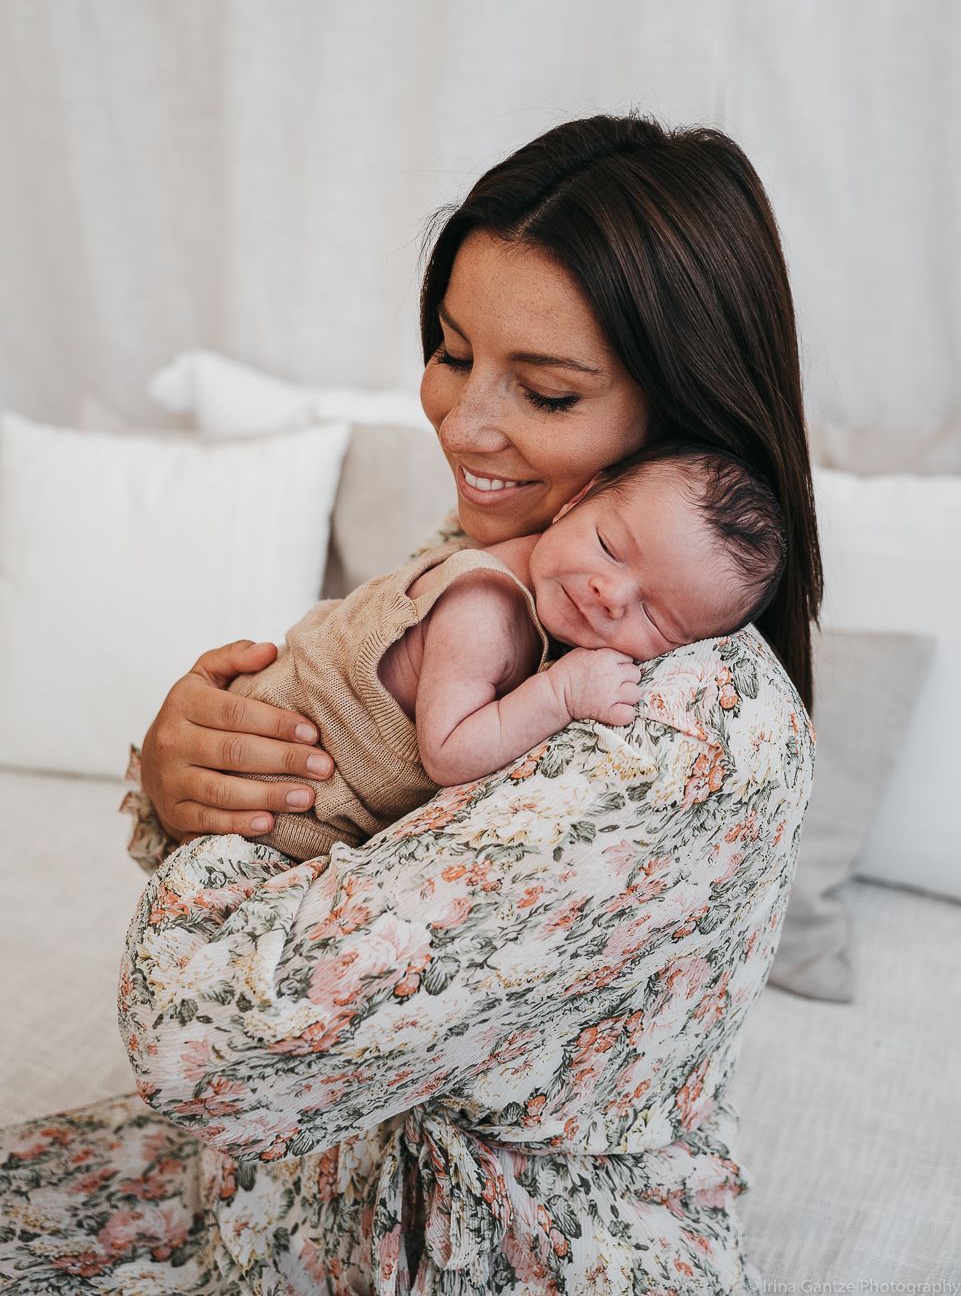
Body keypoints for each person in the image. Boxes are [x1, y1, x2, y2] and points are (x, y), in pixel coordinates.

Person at [0, 112, 820, 1295]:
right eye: (449, 351)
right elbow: (364, 780)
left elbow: (217, 1044)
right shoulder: (531, 553)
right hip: (303, 1181)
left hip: (481, 1247)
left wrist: (218, 843)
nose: (463, 424)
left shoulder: (676, 731)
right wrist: (189, 771)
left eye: (542, 391)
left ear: (685, 407)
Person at [234, 440, 787, 866]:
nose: (610, 594)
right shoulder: (484, 605)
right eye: (608, 547)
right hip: (274, 796)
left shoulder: (551, 592)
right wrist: (561, 693)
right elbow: (448, 752)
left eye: (656, 616)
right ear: (577, 500)